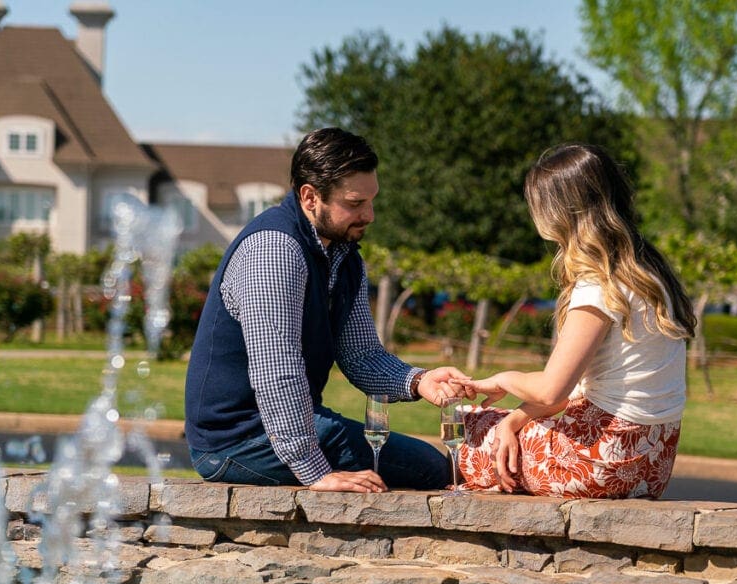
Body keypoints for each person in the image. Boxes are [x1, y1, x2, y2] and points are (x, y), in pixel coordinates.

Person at [185, 127, 466, 493]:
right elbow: (277, 370)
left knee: (430, 466)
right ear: (310, 196)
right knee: (429, 470)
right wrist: (314, 471)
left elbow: (361, 356)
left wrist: (418, 380)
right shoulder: (275, 251)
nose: (370, 214)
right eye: (354, 203)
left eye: (371, 200)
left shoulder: (343, 254)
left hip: (280, 427)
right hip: (236, 441)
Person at [453, 143, 696, 498]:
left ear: (558, 212)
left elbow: (553, 389)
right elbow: (578, 389)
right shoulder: (649, 275)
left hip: (599, 466)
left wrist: (502, 379)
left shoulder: (600, 285)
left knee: (465, 424)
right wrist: (516, 418)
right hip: (650, 466)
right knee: (502, 426)